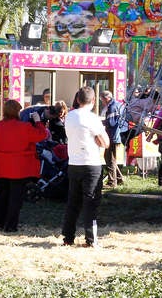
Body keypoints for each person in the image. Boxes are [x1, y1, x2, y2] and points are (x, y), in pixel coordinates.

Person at [0, 99, 48, 232]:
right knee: (15, 199)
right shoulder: (24, 127)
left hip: (0, 167)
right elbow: (42, 135)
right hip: (19, 168)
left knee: (2, 196)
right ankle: (10, 226)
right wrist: (38, 121)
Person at [61, 86, 110, 247]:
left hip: (74, 162)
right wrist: (96, 139)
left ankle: (68, 237)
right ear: (93, 100)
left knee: (73, 202)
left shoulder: (69, 116)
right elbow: (105, 142)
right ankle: (91, 239)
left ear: (77, 99)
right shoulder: (93, 118)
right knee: (91, 201)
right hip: (92, 163)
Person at [100, 90, 126, 187]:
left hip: (112, 136)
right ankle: (119, 178)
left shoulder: (111, 107)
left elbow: (111, 123)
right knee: (112, 158)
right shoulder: (118, 105)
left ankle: (112, 182)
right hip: (118, 135)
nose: (102, 101)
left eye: (102, 99)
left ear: (107, 98)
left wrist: (100, 122)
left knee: (109, 158)